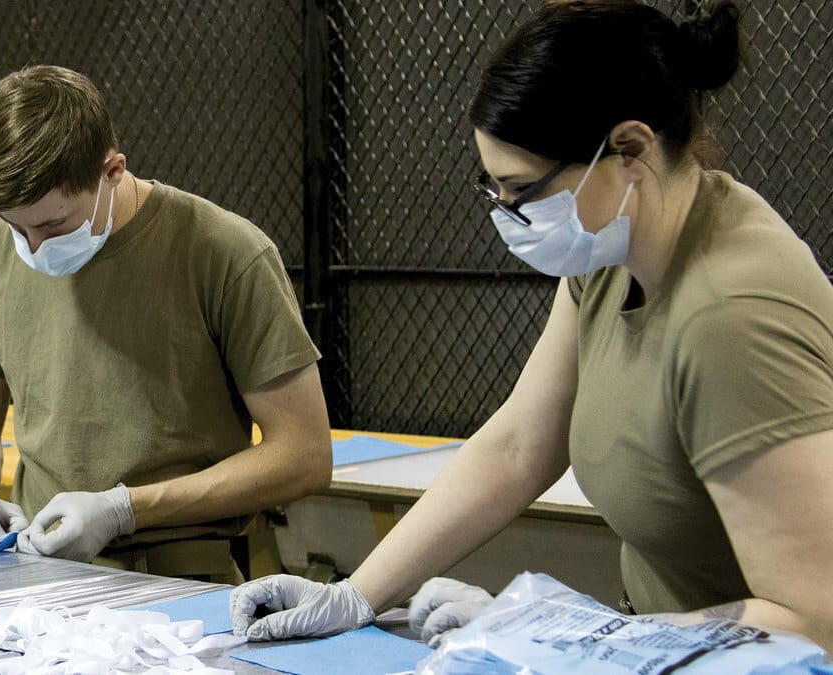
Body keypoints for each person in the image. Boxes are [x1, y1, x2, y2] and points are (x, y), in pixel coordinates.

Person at [231, 0, 833, 652]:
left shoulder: (731, 317)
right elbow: (521, 443)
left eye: (521, 189)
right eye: (493, 188)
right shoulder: (616, 246)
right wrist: (358, 593)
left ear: (630, 149)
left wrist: (575, 638)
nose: (506, 211)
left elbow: (815, 618)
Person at [0, 65, 331, 583]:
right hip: (36, 569)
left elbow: (304, 454)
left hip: (180, 575)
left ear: (113, 171)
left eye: (54, 225)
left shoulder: (224, 253)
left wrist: (124, 510)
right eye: (16, 225)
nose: (33, 247)